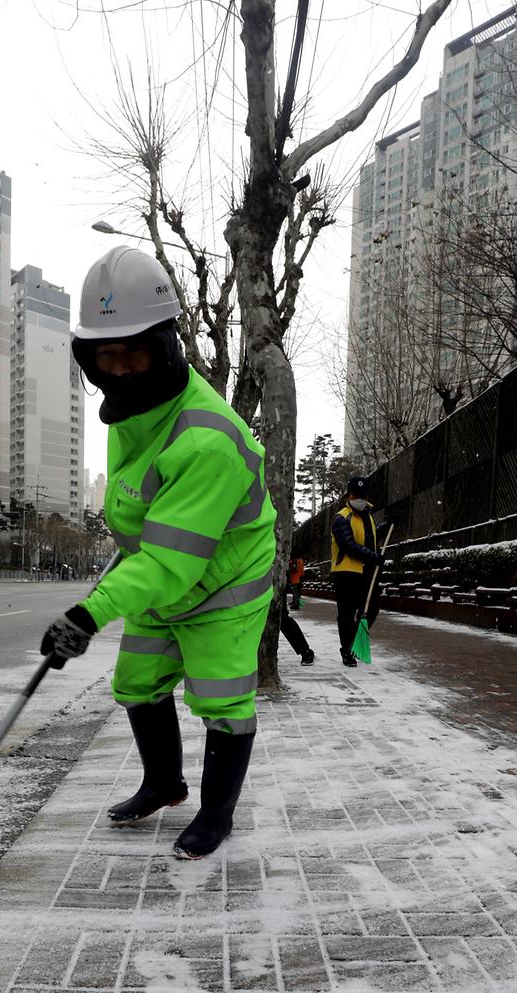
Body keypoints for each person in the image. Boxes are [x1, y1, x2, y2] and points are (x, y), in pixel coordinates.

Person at [40, 246, 277, 860]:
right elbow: (145, 532)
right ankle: (163, 783)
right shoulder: (134, 411)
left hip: (223, 582)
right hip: (162, 570)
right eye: (103, 356)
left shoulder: (206, 439)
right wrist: (102, 597)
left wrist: (90, 614)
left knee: (222, 700)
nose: (117, 370)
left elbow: (173, 560)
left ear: (165, 343)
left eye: (133, 352)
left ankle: (215, 813)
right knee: (137, 683)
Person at [330, 476, 389, 668]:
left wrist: (387, 526)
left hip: (366, 573)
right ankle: (347, 650)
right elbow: (349, 545)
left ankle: (354, 642)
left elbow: (369, 538)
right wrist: (374, 557)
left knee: (371, 610)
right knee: (346, 614)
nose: (361, 498)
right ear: (349, 494)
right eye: (357, 495)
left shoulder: (367, 516)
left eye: (363, 495)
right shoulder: (341, 517)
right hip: (346, 573)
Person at [279, 591, 314, 664]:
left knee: (282, 618)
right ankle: (305, 651)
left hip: (273, 585)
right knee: (282, 618)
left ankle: (305, 651)